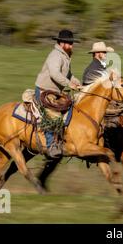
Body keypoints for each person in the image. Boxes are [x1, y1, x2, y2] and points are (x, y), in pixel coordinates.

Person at [35, 29, 82, 157]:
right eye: (69, 43)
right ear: (61, 43)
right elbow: (54, 74)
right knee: (53, 115)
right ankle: (51, 146)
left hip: (55, 91)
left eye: (72, 43)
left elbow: (68, 75)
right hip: (44, 91)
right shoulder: (55, 55)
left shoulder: (65, 56)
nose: (72, 45)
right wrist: (69, 84)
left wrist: (78, 83)